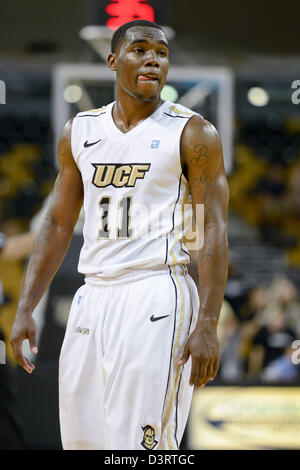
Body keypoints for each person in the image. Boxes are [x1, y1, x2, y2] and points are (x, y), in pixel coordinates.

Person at [9, 19, 229, 450]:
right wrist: (26, 306)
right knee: (83, 442)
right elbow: (57, 224)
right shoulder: (81, 131)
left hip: (156, 290)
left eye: (161, 53)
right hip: (92, 298)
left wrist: (207, 321)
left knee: (141, 446)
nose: (153, 59)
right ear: (112, 61)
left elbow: (213, 228)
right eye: (140, 49)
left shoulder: (193, 133)